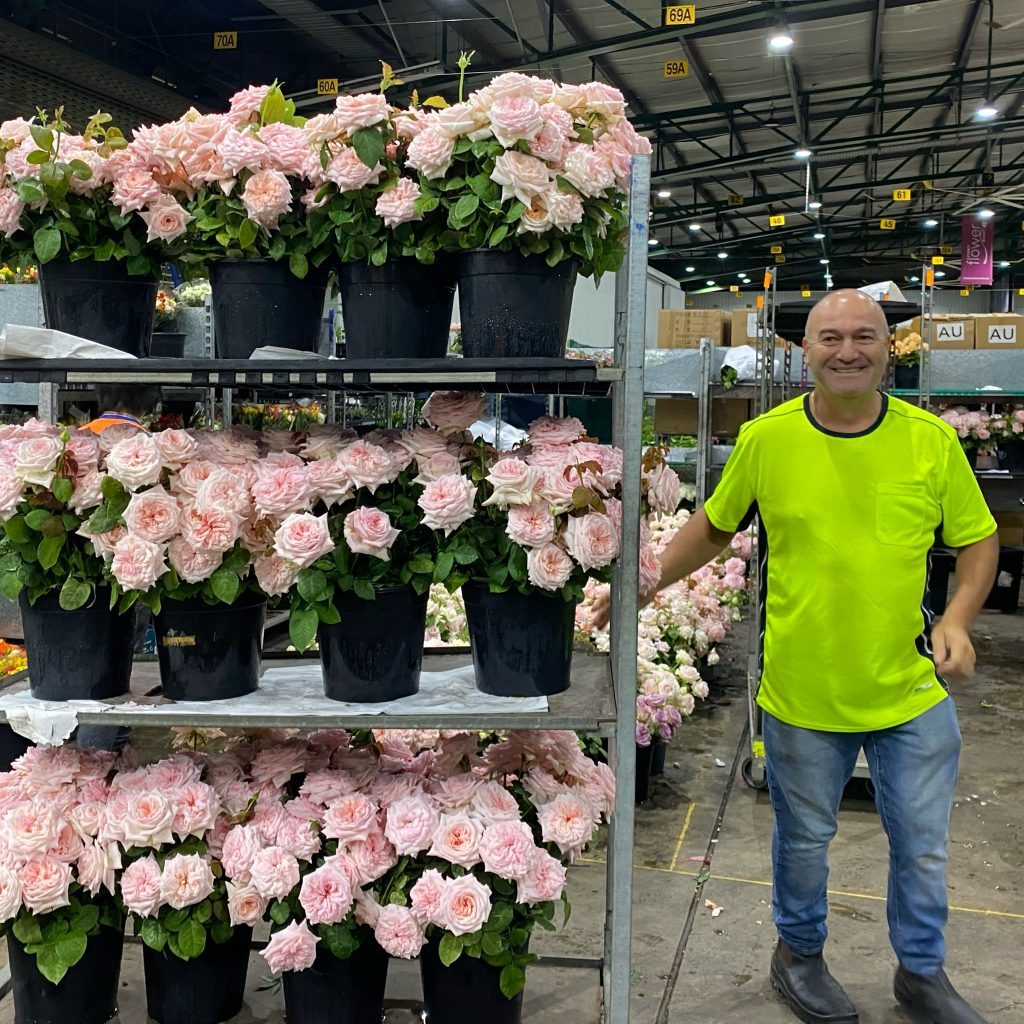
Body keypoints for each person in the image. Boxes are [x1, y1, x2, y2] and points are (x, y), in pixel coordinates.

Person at [597, 289, 998, 1024]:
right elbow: (714, 530)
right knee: (805, 845)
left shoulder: (930, 441)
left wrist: (963, 618)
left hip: (909, 690)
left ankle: (921, 972)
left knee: (924, 849)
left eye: (865, 337)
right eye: (831, 338)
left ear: (890, 347)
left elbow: (977, 540)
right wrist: (640, 587)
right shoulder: (768, 439)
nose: (848, 351)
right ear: (804, 350)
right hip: (802, 696)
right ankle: (800, 956)